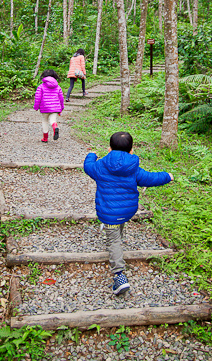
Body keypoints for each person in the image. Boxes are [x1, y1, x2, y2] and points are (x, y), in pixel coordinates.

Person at [84, 131, 174, 296]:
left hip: (108, 212)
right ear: (132, 150)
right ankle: (117, 233)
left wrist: (91, 155)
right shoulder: (133, 168)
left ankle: (119, 275)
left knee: (113, 241)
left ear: (109, 149)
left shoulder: (100, 165)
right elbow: (150, 178)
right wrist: (167, 176)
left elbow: (87, 166)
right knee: (118, 223)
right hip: (128, 211)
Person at [33, 70, 64, 143]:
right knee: (52, 120)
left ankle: (45, 138)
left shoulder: (41, 86)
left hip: (45, 107)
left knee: (45, 121)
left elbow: (37, 98)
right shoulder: (58, 87)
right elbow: (61, 98)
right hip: (55, 107)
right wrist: (61, 108)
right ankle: (55, 126)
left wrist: (36, 107)